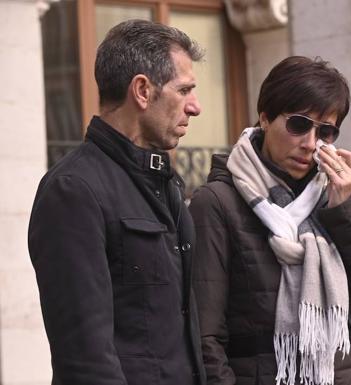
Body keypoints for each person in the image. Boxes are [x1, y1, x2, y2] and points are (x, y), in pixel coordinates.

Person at [189, 55, 351, 385]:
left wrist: (346, 210)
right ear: (265, 118)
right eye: (298, 124)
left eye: (326, 131)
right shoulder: (218, 202)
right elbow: (206, 337)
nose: (310, 143)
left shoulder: (338, 196)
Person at [28, 19, 206, 385]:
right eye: (184, 90)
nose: (196, 107)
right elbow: (84, 356)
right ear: (142, 90)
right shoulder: (73, 190)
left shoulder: (166, 183)